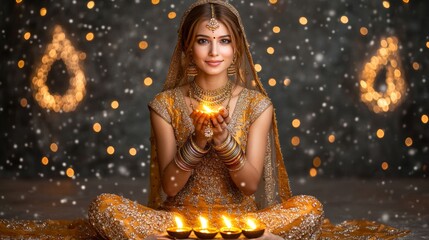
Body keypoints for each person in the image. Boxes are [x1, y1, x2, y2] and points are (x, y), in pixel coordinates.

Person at [88, 1, 408, 239]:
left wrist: (224, 141)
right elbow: (170, 187)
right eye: (203, 40)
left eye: (224, 41)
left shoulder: (257, 104)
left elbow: (249, 184)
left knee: (309, 208)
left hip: (242, 222)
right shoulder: (165, 104)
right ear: (187, 47)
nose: (214, 51)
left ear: (236, 47)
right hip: (178, 222)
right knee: (104, 206)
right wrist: (197, 142)